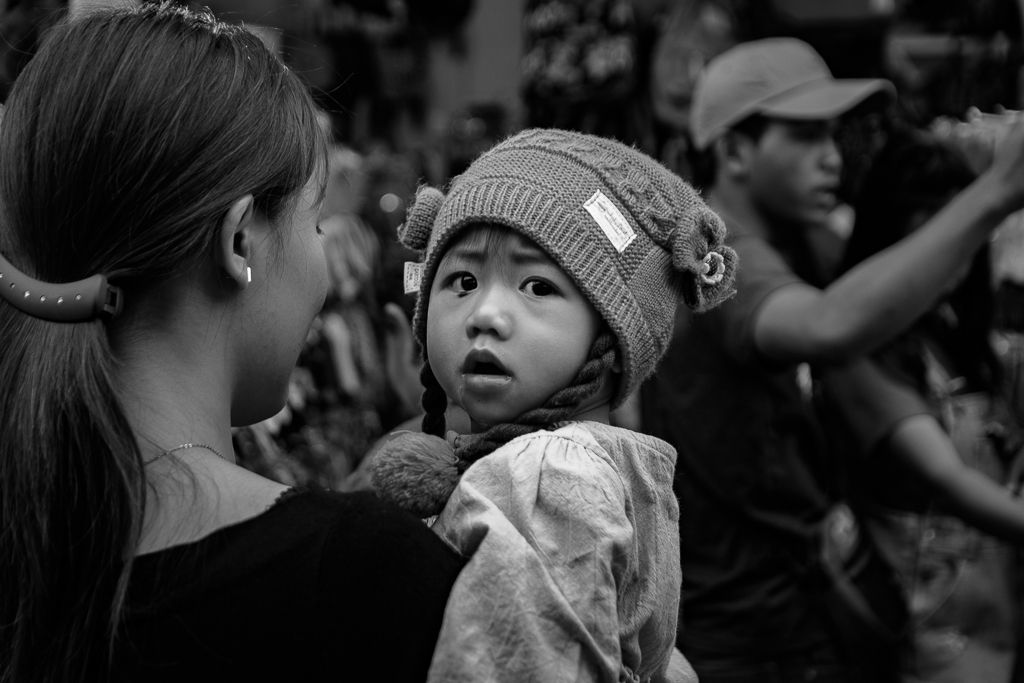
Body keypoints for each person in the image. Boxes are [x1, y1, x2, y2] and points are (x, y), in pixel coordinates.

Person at [0, 4, 462, 682]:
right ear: (239, 239)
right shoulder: (361, 579)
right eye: (315, 221)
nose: (325, 263)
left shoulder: (33, 545)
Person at [640, 37, 1024, 683]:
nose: (832, 157)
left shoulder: (798, 238)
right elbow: (831, 324)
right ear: (734, 152)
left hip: (802, 605)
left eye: (832, 135)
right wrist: (995, 193)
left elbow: (888, 266)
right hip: (747, 633)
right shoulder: (716, 258)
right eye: (805, 136)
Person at [370, 128, 737, 682]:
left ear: (614, 335)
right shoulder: (593, 465)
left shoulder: (545, 477)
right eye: (463, 280)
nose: (485, 314)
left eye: (538, 287)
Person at [824, 130, 1024, 682]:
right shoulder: (856, 352)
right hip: (924, 622)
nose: (952, 257)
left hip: (993, 602)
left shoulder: (959, 332)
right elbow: (947, 479)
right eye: (934, 237)